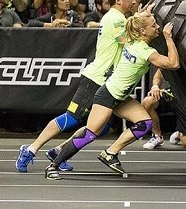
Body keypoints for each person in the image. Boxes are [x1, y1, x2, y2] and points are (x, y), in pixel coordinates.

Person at [44, 10, 179, 180]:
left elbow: (129, 29)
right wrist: (168, 37)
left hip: (120, 98)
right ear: (143, 31)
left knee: (145, 124)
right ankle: (52, 166)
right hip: (107, 96)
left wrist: (143, 14)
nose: (158, 27)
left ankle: (110, 153)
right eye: (154, 25)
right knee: (90, 133)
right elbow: (174, 63)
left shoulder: (131, 40)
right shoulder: (145, 51)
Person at [15, 0, 135, 173]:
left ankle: (59, 151)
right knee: (71, 118)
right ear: (118, 0)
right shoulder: (116, 19)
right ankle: (30, 149)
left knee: (100, 128)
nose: (133, 0)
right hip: (96, 79)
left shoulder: (117, 17)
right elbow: (131, 42)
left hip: (110, 82)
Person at [142, 68, 186, 150]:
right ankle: (157, 136)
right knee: (148, 102)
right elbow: (159, 72)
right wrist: (155, 86)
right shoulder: (173, 60)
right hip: (172, 94)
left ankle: (179, 134)